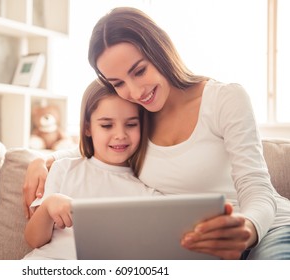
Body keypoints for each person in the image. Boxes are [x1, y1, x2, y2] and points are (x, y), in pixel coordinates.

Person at [23, 7, 290, 260]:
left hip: (266, 229)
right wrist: (44, 159)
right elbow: (100, 147)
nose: (136, 91)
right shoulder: (138, 114)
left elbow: (257, 187)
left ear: (161, 49)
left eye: (139, 71)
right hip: (200, 247)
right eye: (118, 84)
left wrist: (249, 227)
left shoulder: (224, 99)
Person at [23, 79, 160, 260]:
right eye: (106, 125)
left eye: (131, 124)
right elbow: (34, 241)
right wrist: (48, 206)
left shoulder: (146, 193)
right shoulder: (63, 169)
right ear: (87, 127)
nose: (120, 135)